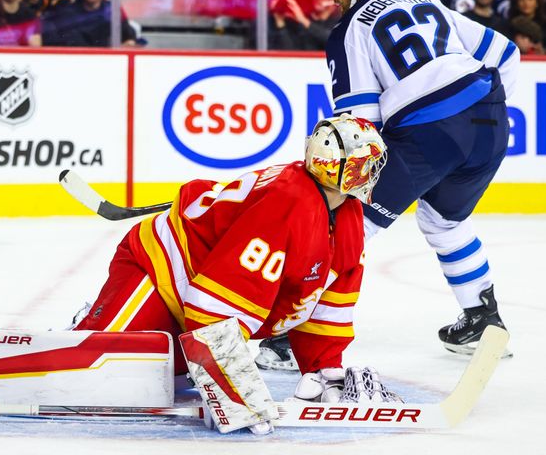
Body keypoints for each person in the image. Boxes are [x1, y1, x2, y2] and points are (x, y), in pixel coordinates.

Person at [261, 0, 518, 365]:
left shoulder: (350, 29)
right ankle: (483, 319)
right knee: (444, 221)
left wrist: (334, 177)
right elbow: (507, 53)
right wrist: (480, 111)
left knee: (348, 222)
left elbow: (361, 121)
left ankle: (292, 333)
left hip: (429, 131)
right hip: (490, 119)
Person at [73, 114, 388, 401]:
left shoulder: (346, 217)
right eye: (365, 163)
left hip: (194, 305)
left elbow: (327, 306)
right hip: (162, 272)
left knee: (152, 378)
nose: (372, 172)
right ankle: (95, 322)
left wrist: (324, 369)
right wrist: (232, 388)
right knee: (92, 370)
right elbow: (218, 303)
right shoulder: (288, 205)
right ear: (340, 169)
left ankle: (110, 324)